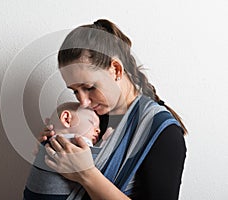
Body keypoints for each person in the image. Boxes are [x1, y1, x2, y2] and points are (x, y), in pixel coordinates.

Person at [27, 19, 187, 200]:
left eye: (89, 87)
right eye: (75, 92)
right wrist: (51, 149)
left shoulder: (163, 133)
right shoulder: (87, 121)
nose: (84, 102)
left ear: (116, 70)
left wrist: (87, 174)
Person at [24, 102, 109, 199]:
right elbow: (103, 163)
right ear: (66, 119)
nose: (98, 130)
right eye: (92, 123)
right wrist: (108, 141)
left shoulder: (46, 144)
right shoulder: (72, 143)